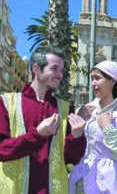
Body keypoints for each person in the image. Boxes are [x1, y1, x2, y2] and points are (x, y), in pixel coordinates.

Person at [0, 45, 87, 194]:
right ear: (36, 69)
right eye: (54, 69)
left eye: (61, 71)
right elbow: (2, 150)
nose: (60, 75)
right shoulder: (7, 103)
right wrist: (38, 134)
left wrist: (77, 137)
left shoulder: (65, 108)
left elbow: (70, 158)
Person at [68, 60, 117, 194]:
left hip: (114, 183)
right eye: (92, 79)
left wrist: (108, 128)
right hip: (85, 179)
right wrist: (78, 119)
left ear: (113, 81)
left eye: (97, 78)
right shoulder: (87, 110)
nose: (93, 83)